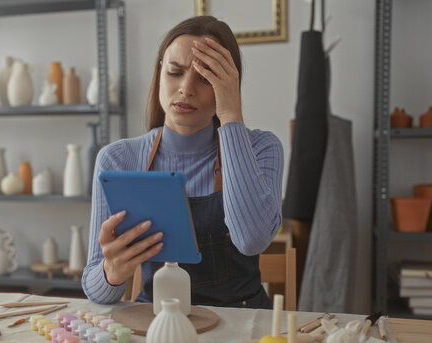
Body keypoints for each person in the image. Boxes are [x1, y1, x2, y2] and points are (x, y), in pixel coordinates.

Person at [81, 16, 283, 309]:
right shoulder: (117, 159)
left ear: (227, 84)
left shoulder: (262, 148)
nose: (186, 89)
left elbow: (251, 241)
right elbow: (96, 292)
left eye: (205, 78)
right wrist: (111, 273)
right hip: (156, 324)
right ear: (160, 72)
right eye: (175, 72)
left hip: (242, 323)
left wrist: (231, 116)